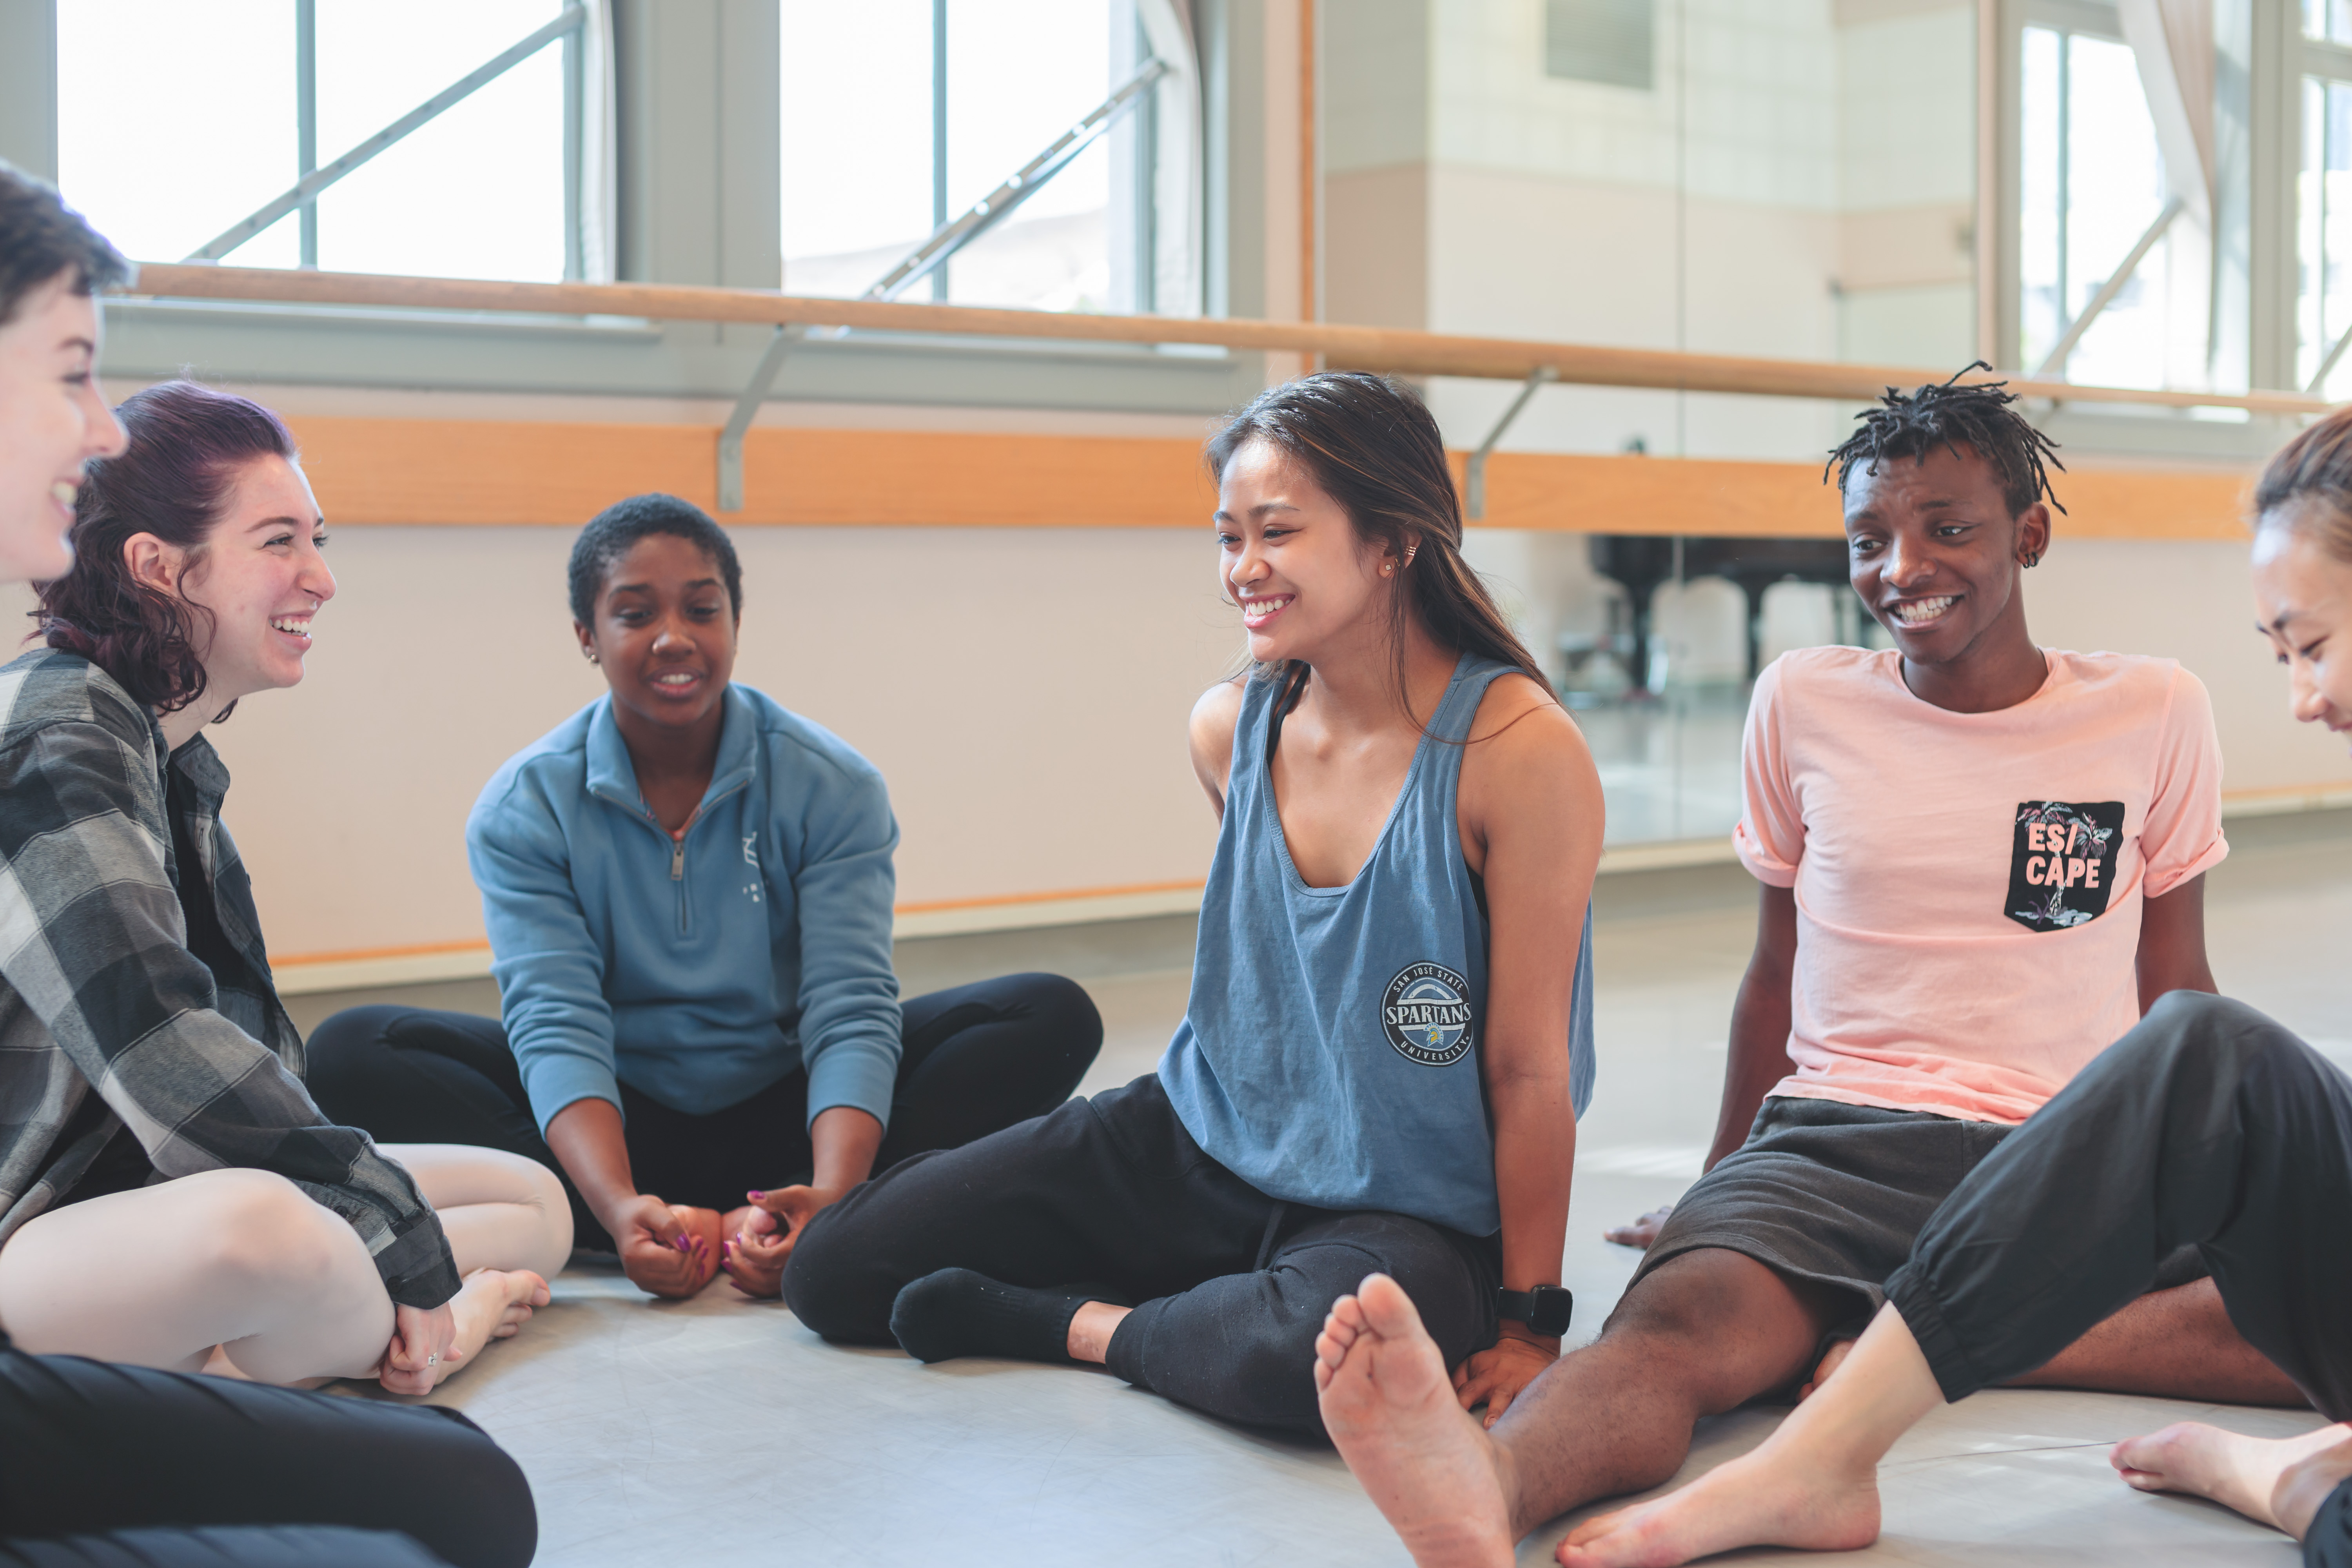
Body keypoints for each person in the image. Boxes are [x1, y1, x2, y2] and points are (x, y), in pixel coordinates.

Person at [1307, 368, 2298, 1564]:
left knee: (2296, 1305)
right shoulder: (1803, 702)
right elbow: (1773, 973)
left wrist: (2198, 1170)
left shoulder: (2153, 709)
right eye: (1869, 538)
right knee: (1670, 1330)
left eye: (1949, 529)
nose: (1903, 568)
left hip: (2065, 1142)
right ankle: (1492, 1488)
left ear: (2027, 536)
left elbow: (2176, 979)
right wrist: (1719, 1183)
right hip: (1838, 1139)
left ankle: (1954, 1324)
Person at [777, 370, 1602, 1434]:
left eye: (1278, 533)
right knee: (835, 1274)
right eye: (1227, 539)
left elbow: (1530, 1067)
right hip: (1198, 1143)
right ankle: (1183, 1306)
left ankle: (1059, 1323)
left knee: (1303, 1370)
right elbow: (1287, 987)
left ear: (1395, 539)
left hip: (1406, 1210)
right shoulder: (1230, 729)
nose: (1243, 571)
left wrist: (1533, 1322)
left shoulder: (1518, 751)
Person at [0, 163, 539, 1568]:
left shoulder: (171, 749)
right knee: (279, 1226)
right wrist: (398, 1243)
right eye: (282, 541)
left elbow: (246, 1050)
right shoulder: (57, 736)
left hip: (123, 1197)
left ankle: (265, 1365)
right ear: (167, 571)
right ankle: (393, 1348)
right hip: (36, 1228)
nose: (322, 576)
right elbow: (159, 1041)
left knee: (520, 1200)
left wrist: (378, 1204)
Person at [306, 493, 1104, 1303]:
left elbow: (850, 1002)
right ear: (587, 635)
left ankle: (809, 1209)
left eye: (702, 608)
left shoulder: (832, 784)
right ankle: (653, 1220)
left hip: (791, 1103)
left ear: (735, 619)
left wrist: (830, 1196)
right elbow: (557, 1018)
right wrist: (619, 1207)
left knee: (1049, 1015)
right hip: (617, 1114)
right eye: (634, 612)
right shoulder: (527, 805)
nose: (674, 637)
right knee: (349, 1050)